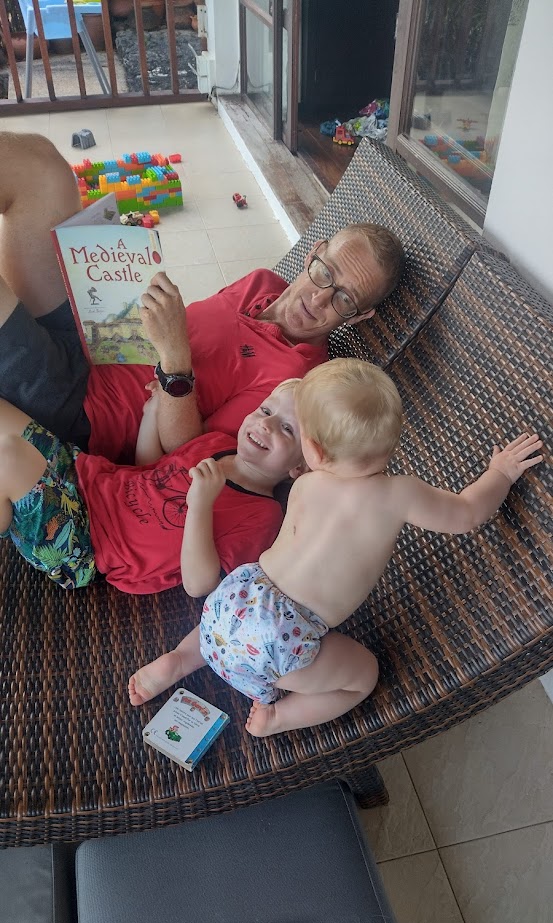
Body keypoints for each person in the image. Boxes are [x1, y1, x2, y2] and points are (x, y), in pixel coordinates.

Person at [128, 358, 543, 736]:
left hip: (234, 598)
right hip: (283, 639)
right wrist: (500, 473)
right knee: (361, 676)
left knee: (232, 628)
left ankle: (178, 661)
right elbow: (468, 513)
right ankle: (279, 718)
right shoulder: (400, 494)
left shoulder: (306, 483)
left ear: (314, 452)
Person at [0, 132, 405, 464]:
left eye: (343, 300)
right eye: (325, 273)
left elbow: (185, 457)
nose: (318, 300)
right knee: (42, 165)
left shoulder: (297, 384)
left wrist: (175, 355)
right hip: (102, 336)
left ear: (358, 316)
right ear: (314, 252)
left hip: (83, 408)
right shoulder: (262, 282)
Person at [0, 379, 306, 594]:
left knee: (9, 457)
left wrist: (200, 504)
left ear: (298, 467)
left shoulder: (262, 515)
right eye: (266, 411)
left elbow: (200, 585)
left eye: (288, 428)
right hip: (82, 476)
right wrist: (151, 416)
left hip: (83, 545)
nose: (266, 424)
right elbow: (147, 471)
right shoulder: (217, 443)